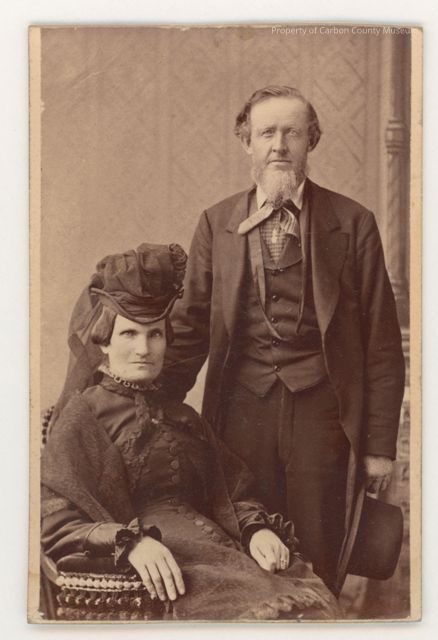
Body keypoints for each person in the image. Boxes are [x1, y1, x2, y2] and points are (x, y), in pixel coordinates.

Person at [164, 86, 406, 593]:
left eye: (292, 133)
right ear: (246, 142)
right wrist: (155, 408)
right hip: (240, 412)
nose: (279, 145)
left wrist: (379, 447)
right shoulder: (216, 222)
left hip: (323, 414)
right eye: (266, 133)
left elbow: (381, 344)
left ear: (310, 141)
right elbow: (188, 328)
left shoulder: (353, 222)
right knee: (243, 546)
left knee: (319, 548)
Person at [41, 243, 339, 621]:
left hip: (222, 550)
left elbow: (231, 491)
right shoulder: (82, 418)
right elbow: (55, 523)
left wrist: (255, 531)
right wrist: (130, 543)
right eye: (129, 334)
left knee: (307, 603)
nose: (143, 349)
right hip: (168, 568)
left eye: (155, 335)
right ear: (104, 343)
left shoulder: (183, 416)